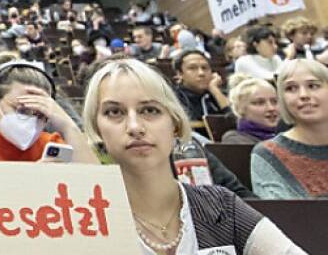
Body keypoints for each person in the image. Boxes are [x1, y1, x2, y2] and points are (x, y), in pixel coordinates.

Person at [83, 58, 306, 254]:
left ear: (176, 124)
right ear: (97, 129)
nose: (134, 127)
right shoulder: (83, 221)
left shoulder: (221, 205)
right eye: (114, 112)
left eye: (150, 110)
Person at [252, 58, 328, 199]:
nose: (303, 95)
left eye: (313, 86)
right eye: (291, 88)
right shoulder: (268, 155)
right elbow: (285, 216)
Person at [223, 73, 283, 145]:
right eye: (260, 103)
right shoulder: (235, 140)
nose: (271, 108)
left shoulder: (290, 135)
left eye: (274, 101)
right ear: (240, 109)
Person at [173, 50, 230, 121]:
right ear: (180, 74)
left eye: (205, 68)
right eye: (192, 68)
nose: (201, 73)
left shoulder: (218, 94)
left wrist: (215, 90)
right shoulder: (173, 98)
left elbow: (236, 122)